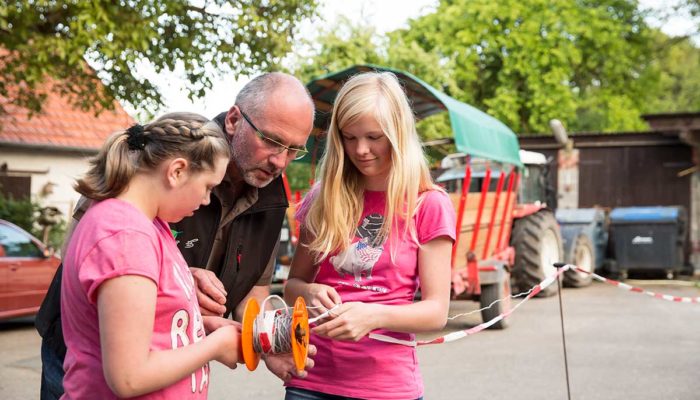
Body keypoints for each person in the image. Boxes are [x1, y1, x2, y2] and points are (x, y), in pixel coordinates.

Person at [36, 72, 316, 399]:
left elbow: (255, 290)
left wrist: (265, 340)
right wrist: (178, 286)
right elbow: (92, 259)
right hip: (87, 357)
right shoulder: (136, 208)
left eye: (294, 150)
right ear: (234, 119)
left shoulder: (270, 196)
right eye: (271, 140)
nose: (280, 161)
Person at [284, 71, 456, 400]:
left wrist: (373, 315)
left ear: (398, 134)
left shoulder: (428, 204)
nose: (361, 149)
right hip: (310, 382)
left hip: (387, 388)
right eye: (349, 137)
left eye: (373, 137)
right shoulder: (322, 198)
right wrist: (312, 291)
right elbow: (293, 287)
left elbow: (436, 312)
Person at [61, 116, 239, 398]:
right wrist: (215, 346)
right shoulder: (125, 235)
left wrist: (200, 327)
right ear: (177, 171)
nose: (206, 200)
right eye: (207, 187)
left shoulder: (150, 224)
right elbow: (129, 377)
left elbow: (144, 325)